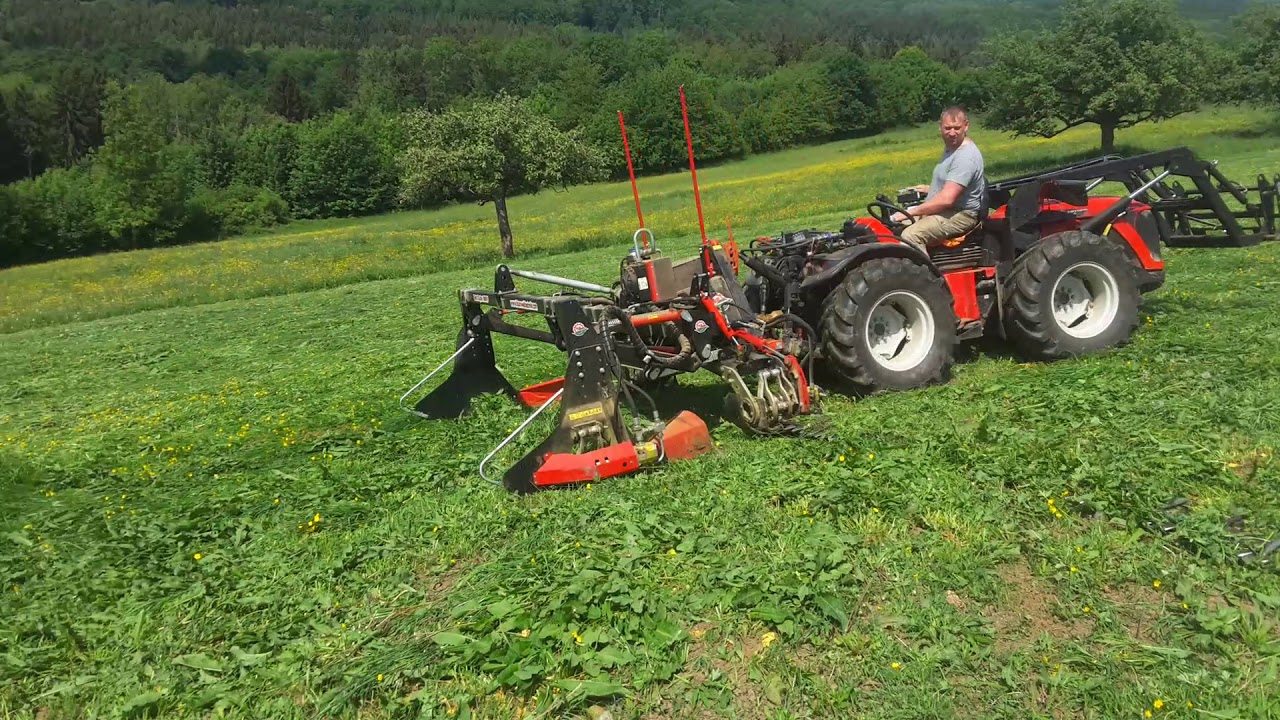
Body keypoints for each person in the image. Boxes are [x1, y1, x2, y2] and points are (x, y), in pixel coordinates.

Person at [892, 106, 986, 254]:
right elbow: (956, 184)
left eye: (957, 128)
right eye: (948, 128)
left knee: (911, 235)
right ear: (940, 127)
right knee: (888, 228)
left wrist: (911, 212)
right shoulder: (952, 148)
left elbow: (946, 200)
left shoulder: (965, 157)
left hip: (960, 214)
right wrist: (930, 189)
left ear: (966, 126)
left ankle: (922, 276)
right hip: (947, 208)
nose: (952, 133)